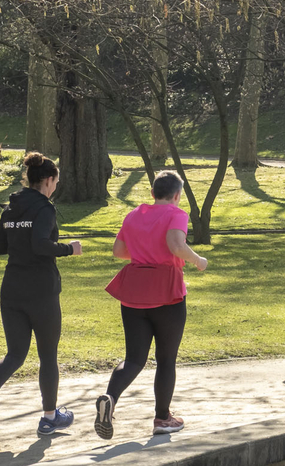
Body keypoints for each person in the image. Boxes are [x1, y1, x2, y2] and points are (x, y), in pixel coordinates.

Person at [0, 152, 83, 437]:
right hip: (41, 291)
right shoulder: (45, 208)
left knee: (16, 353)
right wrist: (70, 248)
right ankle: (49, 417)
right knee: (47, 355)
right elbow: (41, 245)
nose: (56, 186)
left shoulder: (11, 207)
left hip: (12, 289)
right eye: (56, 181)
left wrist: (18, 237)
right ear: (48, 180)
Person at [94, 170, 208, 439]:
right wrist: (197, 260)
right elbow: (175, 245)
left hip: (134, 290)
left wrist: (144, 250)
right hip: (166, 290)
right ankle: (162, 418)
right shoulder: (176, 214)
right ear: (177, 195)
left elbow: (119, 251)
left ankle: (109, 400)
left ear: (153, 193)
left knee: (134, 359)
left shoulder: (134, 215)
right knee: (166, 359)